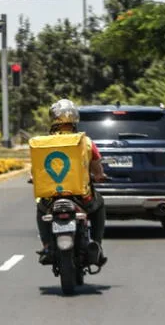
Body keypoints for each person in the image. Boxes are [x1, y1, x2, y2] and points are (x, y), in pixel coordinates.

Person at [35, 99, 108, 266]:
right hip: (82, 198)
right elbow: (97, 168)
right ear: (75, 119)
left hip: (51, 199)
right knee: (100, 204)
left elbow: (36, 169)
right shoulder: (86, 142)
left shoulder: (42, 143)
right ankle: (96, 244)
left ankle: (46, 246)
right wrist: (99, 175)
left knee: (40, 210)